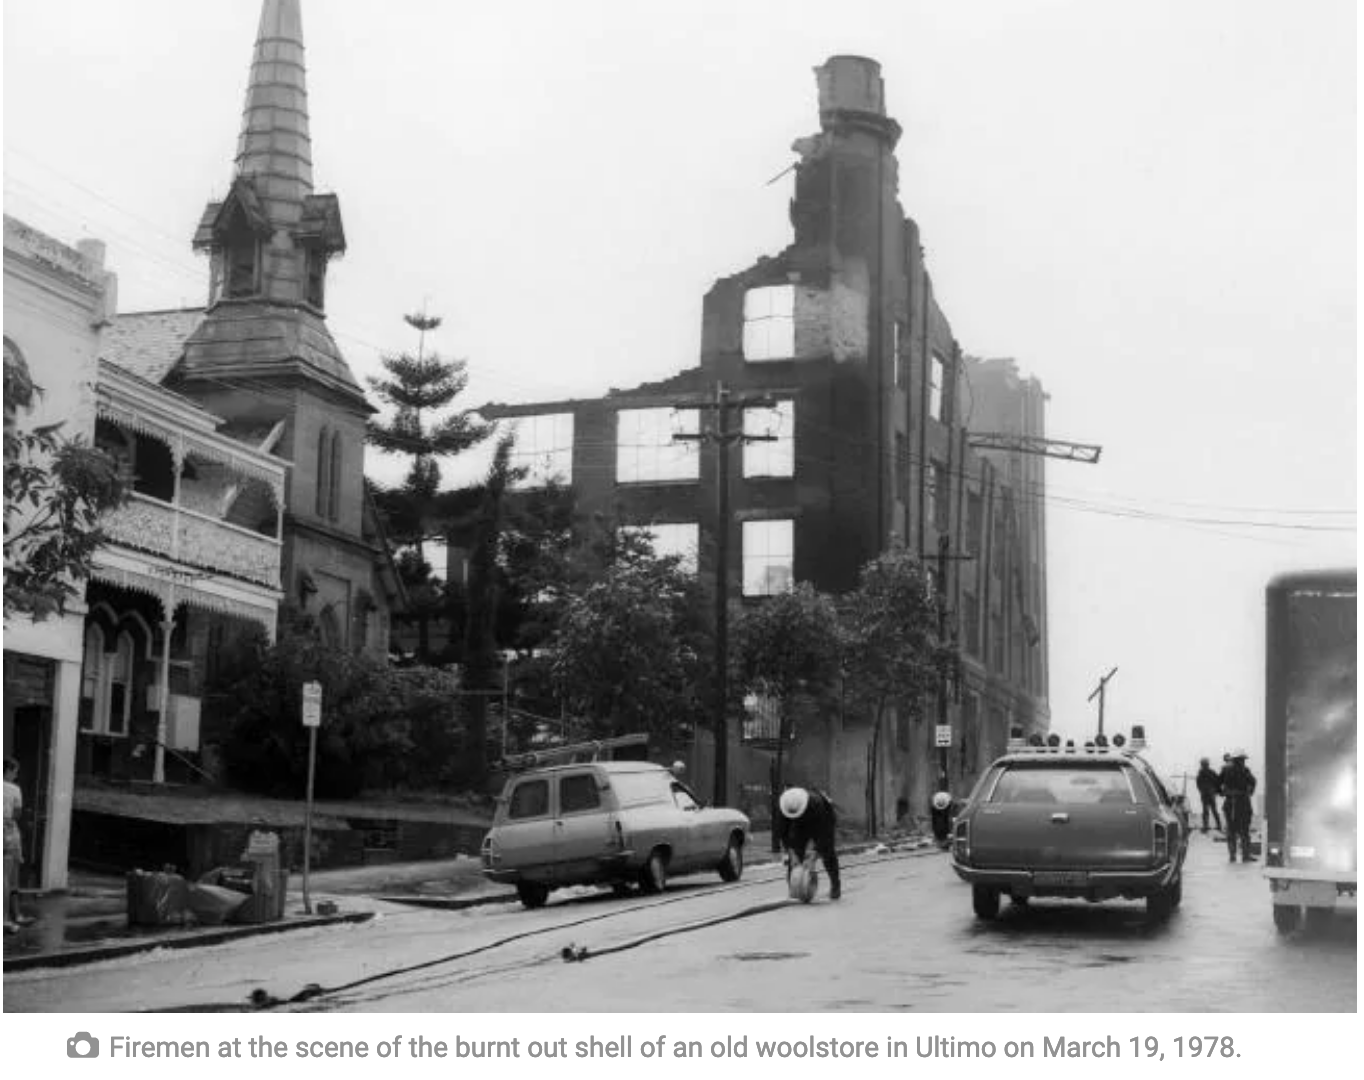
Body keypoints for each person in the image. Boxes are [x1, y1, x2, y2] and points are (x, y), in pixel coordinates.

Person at [777, 786, 841, 901]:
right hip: (800, 824)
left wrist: (813, 856)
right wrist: (791, 854)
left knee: (827, 851)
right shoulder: (784, 806)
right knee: (796, 850)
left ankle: (835, 885)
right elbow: (783, 833)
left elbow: (824, 836)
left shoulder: (818, 804)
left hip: (822, 821)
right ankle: (795, 888)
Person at [4, 757, 31, 933]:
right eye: (15, 771)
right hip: (7, 833)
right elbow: (17, 813)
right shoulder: (14, 789)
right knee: (8, 877)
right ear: (8, 771)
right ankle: (7, 919)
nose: (16, 774)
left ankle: (15, 915)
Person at [1221, 750, 1258, 863]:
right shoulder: (1244, 771)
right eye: (1242, 760)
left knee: (1233, 831)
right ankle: (1244, 856)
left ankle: (1233, 856)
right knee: (1243, 832)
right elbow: (1253, 782)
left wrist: (1228, 792)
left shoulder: (1226, 771)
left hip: (1232, 804)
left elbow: (1221, 787)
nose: (1243, 762)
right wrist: (1249, 792)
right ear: (1239, 761)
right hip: (1241, 804)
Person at [1195, 757, 1224, 833]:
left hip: (1206, 794)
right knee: (1212, 810)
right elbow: (1218, 782)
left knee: (1207, 811)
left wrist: (1203, 790)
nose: (1204, 765)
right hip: (1210, 794)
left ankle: (1207, 827)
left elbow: (1198, 785)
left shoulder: (1201, 773)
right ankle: (1218, 826)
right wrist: (1218, 791)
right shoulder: (1211, 772)